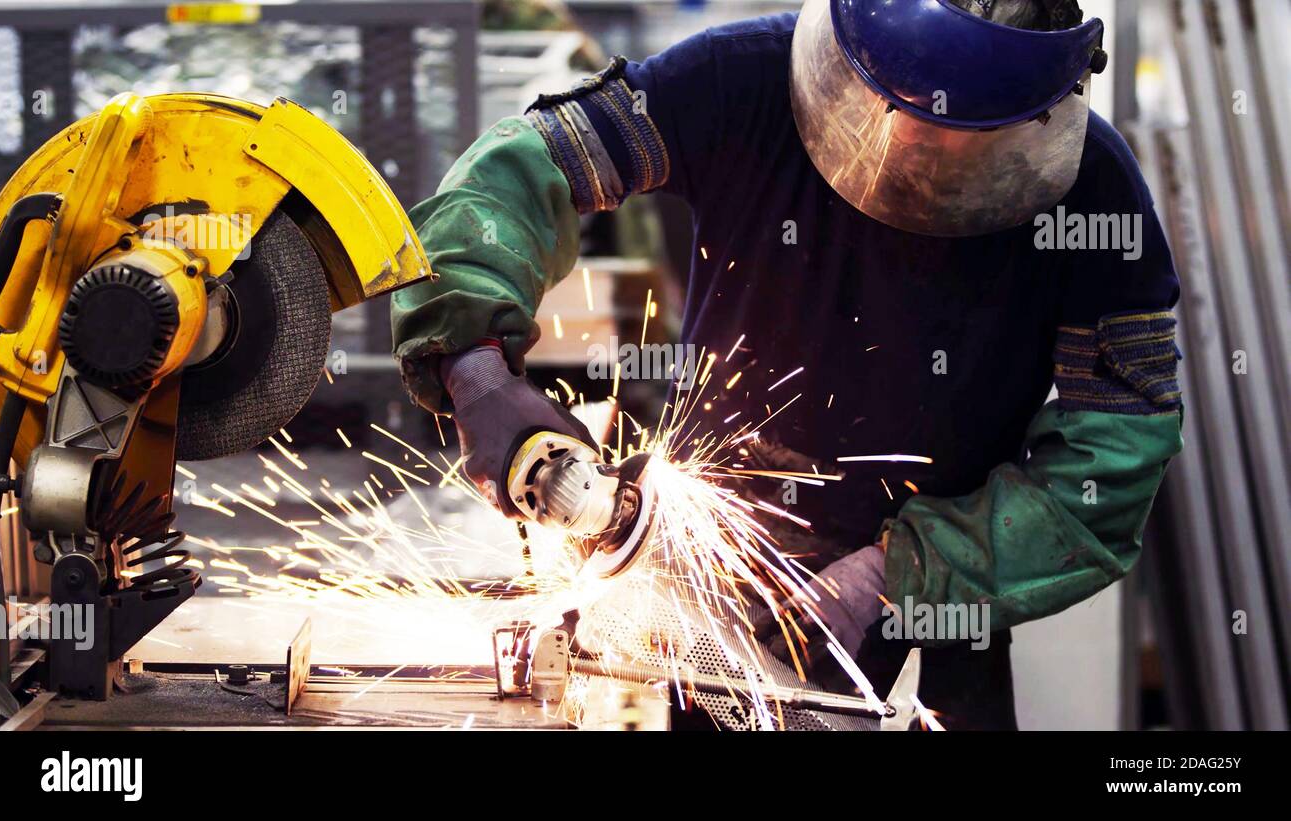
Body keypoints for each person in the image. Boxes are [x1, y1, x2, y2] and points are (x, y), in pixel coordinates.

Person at [390, 0, 1183, 729]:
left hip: (932, 627)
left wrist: (895, 576)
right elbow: (521, 171)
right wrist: (478, 369)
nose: (912, 150)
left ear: (1038, 113)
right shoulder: (741, 81)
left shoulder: (1094, 194)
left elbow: (1107, 470)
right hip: (697, 588)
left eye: (957, 142)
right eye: (898, 119)